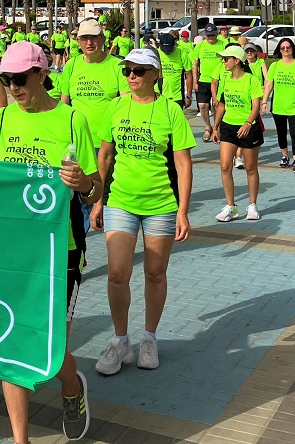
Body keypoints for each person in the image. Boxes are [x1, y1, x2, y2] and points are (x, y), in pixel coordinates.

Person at [0, 41, 101, 443]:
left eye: (20, 78)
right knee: (12, 339)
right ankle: (21, 439)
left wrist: (84, 183)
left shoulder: (71, 120)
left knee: (51, 343)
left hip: (60, 249)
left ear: (41, 75)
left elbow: (94, 189)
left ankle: (71, 387)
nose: (13, 86)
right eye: (7, 79)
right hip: (9, 249)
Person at [92, 48, 195, 375]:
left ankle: (149, 338)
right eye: (127, 71)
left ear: (155, 75)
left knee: (154, 273)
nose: (132, 76)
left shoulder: (170, 111)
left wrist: (183, 211)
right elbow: (105, 156)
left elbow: (183, 163)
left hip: (161, 205)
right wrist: (98, 199)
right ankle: (121, 341)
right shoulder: (116, 106)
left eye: (139, 70)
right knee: (118, 273)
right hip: (120, 201)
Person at [214, 45, 264, 221]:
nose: (223, 62)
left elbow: (256, 106)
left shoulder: (251, 80)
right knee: (225, 166)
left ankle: (252, 205)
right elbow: (222, 105)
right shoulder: (225, 79)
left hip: (248, 127)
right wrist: (215, 127)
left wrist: (248, 123)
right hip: (228, 126)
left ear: (237, 61)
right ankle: (231, 206)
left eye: (226, 59)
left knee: (250, 168)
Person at [59, 18, 125, 150]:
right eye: (84, 38)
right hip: (76, 141)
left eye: (94, 38)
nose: (89, 43)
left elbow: (125, 104)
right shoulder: (71, 65)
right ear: (78, 41)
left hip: (107, 143)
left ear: (103, 39)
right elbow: (64, 104)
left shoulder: (117, 66)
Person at [262, 37, 295, 174]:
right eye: (283, 48)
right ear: (279, 50)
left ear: (292, 48)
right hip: (278, 106)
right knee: (281, 133)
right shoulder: (275, 66)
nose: (286, 49)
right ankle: (285, 156)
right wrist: (264, 101)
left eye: (288, 47)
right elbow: (268, 84)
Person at [192, 24, 226, 143]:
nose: (210, 38)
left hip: (218, 80)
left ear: (216, 34)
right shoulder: (200, 45)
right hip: (204, 80)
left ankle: (217, 128)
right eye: (208, 35)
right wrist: (195, 81)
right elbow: (195, 64)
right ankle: (208, 127)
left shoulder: (222, 44)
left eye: (212, 35)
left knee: (217, 105)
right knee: (202, 105)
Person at [155, 32, 193, 111]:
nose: (167, 52)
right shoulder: (156, 54)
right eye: (164, 50)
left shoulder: (181, 53)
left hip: (177, 96)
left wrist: (189, 96)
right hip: (158, 94)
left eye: (169, 50)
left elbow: (189, 75)